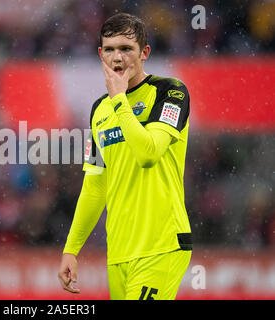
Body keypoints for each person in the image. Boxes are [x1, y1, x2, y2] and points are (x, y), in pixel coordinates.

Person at [58, 12, 192, 300]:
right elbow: (95, 185)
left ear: (144, 53)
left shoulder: (171, 93)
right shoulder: (99, 111)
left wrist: (120, 100)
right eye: (109, 49)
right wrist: (71, 249)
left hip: (161, 245)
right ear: (100, 54)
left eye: (126, 49)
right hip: (119, 252)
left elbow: (148, 153)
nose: (117, 58)